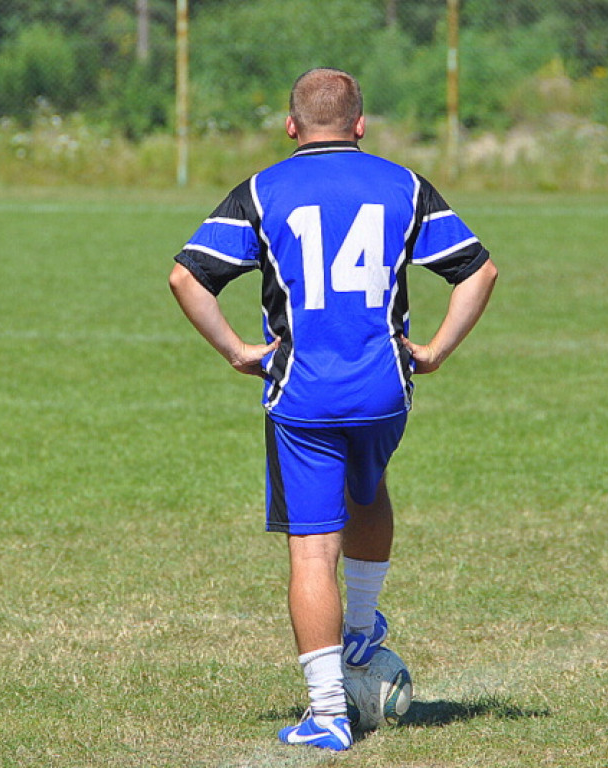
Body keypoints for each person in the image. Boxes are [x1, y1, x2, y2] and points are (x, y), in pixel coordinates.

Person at [168, 68, 497, 751]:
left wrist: (236, 351)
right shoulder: (404, 185)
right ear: (360, 124)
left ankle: (326, 714)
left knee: (313, 550)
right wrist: (436, 349)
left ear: (291, 126)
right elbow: (478, 270)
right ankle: (363, 629)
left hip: (303, 394)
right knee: (368, 488)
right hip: (385, 390)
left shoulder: (262, 189)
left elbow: (186, 277)